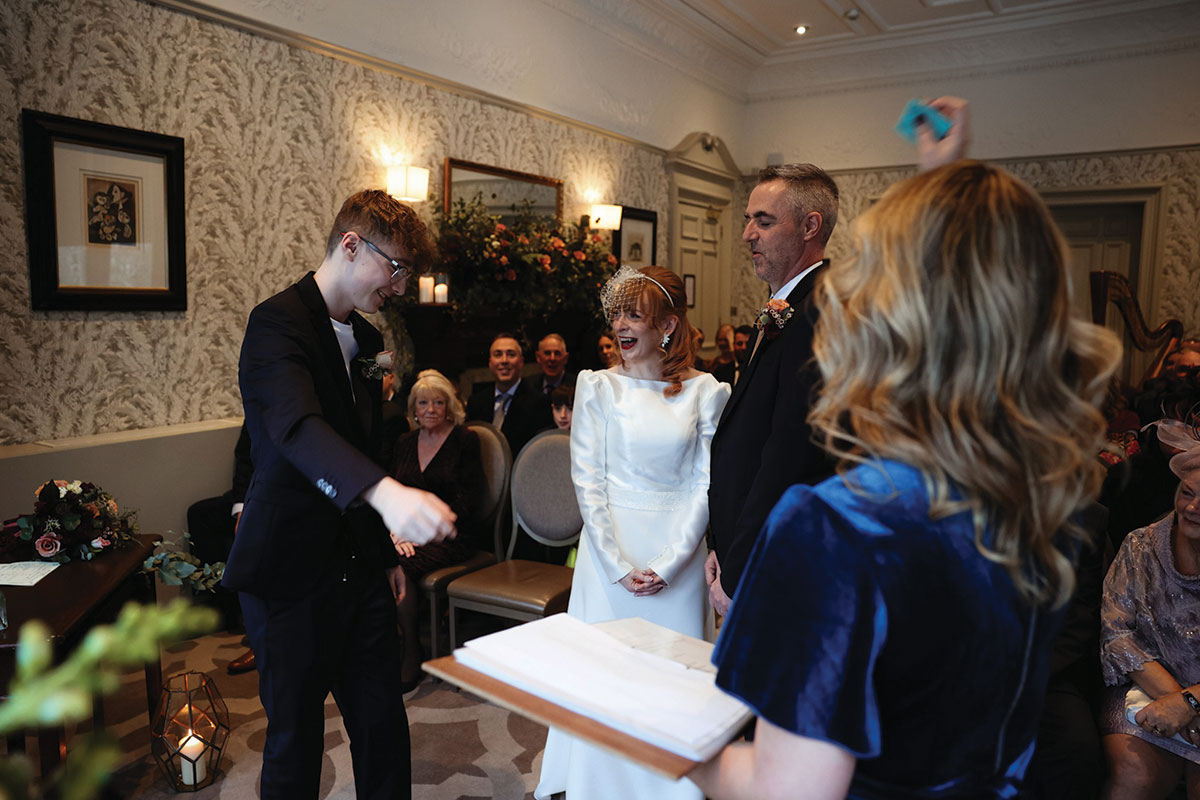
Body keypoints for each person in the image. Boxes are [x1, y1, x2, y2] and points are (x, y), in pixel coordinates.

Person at [690, 101, 1123, 798]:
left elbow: (787, 792)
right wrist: (944, 182)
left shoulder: (838, 529)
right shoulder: (1055, 500)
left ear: (886, 322)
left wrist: (676, 742)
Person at [226, 189, 457, 800]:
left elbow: (374, 444)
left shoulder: (373, 343)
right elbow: (297, 429)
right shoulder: (274, 323)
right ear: (351, 245)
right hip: (289, 576)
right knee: (295, 744)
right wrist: (387, 496)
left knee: (384, 730)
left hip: (360, 571)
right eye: (397, 268)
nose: (402, 286)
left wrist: (384, 553)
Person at [535, 266, 730, 800]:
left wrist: (670, 563)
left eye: (634, 315)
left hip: (679, 557)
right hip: (608, 558)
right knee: (605, 678)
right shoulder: (597, 387)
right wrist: (617, 563)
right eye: (616, 313)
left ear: (668, 325)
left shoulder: (705, 393)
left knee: (670, 679)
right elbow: (588, 482)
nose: (621, 325)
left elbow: (704, 483)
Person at [706, 161, 841, 615]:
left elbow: (789, 457)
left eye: (763, 221)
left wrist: (739, 568)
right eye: (748, 219)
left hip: (776, 561)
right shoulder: (786, 306)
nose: (747, 234)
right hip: (745, 551)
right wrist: (721, 545)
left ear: (810, 226)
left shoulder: (820, 311)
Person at [1099, 426, 1200, 800]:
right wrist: (1176, 700)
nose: (1191, 508)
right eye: (1187, 493)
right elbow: (1117, 634)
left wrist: (1191, 703)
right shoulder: (1140, 545)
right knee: (1132, 778)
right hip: (1146, 689)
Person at [389, 370, 485, 692]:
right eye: (423, 403)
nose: (430, 409)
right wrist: (394, 532)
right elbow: (394, 496)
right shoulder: (404, 442)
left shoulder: (465, 440)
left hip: (452, 535)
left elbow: (469, 501)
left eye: (438, 402)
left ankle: (412, 651)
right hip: (406, 535)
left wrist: (420, 532)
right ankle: (392, 642)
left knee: (401, 565)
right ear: (413, 409)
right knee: (378, 556)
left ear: (450, 407)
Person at [186, 422, 255, 673]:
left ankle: (260, 638)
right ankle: (226, 612)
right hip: (254, 492)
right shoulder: (258, 401)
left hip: (286, 495)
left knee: (262, 537)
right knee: (200, 514)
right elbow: (244, 459)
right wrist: (241, 510)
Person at [465, 333, 552, 456]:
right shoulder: (476, 402)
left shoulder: (539, 403)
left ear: (521, 362)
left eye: (511, 354)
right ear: (490, 363)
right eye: (498, 354)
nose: (504, 360)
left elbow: (541, 452)